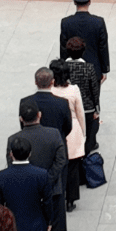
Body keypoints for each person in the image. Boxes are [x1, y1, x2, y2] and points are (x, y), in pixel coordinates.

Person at [7, 102, 67, 231]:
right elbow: (61, 160)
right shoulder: (54, 134)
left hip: (24, 193)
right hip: (52, 190)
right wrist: (47, 180)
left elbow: (12, 165)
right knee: (55, 228)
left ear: (21, 119)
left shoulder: (13, 139)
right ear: (39, 115)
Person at [59, 0, 110, 98]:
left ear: (74, 2)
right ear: (90, 1)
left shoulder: (66, 22)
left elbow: (63, 48)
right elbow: (103, 47)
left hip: (72, 70)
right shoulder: (98, 22)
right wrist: (104, 69)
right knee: (93, 102)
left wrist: (63, 70)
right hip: (94, 68)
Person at [0, 137, 52, 231]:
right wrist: (49, 221)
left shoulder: (1, 176)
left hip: (11, 228)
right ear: (30, 154)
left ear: (11, 154)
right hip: (36, 227)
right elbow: (47, 202)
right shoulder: (42, 175)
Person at [49, 60, 86, 213]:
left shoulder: (49, 90)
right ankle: (70, 199)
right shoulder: (73, 90)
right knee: (72, 168)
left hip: (55, 130)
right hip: (72, 130)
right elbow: (80, 113)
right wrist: (83, 133)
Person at [63, 36, 100, 155]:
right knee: (88, 133)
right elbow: (94, 89)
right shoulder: (89, 68)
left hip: (68, 106)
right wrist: (97, 107)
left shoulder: (62, 68)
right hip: (87, 107)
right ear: (83, 52)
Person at [21, 68, 72, 140]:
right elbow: (68, 127)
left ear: (35, 82)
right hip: (57, 143)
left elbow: (24, 125)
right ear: (52, 82)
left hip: (33, 143)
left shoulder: (25, 102)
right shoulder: (63, 103)